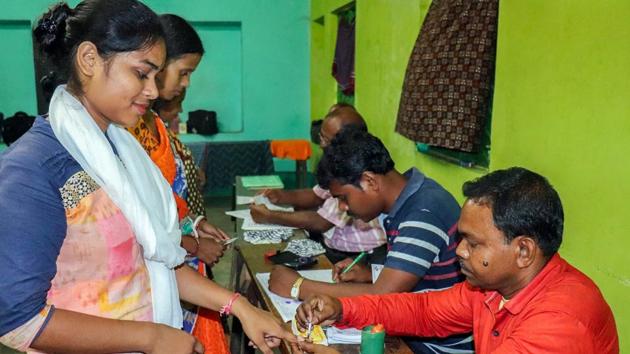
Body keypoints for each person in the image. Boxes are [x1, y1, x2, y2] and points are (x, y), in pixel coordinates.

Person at [0, 1, 292, 353]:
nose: (153, 91)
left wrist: (240, 307)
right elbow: (17, 320)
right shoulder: (34, 168)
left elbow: (153, 262)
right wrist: (151, 338)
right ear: (89, 60)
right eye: (142, 73)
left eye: (156, 77)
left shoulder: (122, 153)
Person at [296, 167, 620, 354]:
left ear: (523, 251)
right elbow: (424, 311)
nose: (460, 251)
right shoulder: (493, 286)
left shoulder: (560, 322)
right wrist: (343, 310)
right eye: (461, 238)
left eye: (473, 243)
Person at [269, 128, 472, 353]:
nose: (342, 208)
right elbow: (422, 278)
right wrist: (370, 274)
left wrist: (298, 286)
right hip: (415, 332)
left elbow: (383, 297)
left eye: (343, 198)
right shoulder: (412, 198)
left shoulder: (422, 213)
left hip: (432, 346)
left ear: (369, 181)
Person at [250, 104, 387, 264]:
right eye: (321, 137)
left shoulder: (354, 170)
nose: (321, 144)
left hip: (359, 255)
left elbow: (321, 222)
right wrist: (281, 196)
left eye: (326, 139)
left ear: (347, 141)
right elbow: (316, 195)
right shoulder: (337, 164)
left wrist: (269, 216)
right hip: (336, 246)